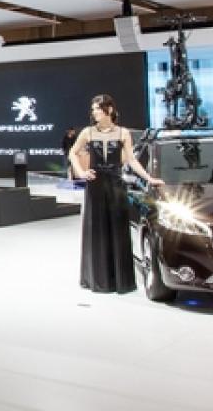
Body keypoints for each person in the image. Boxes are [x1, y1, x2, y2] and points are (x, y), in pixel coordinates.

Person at [68, 95, 163, 294]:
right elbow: (72, 153)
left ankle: (119, 280)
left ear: (109, 109)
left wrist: (149, 178)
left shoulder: (123, 133)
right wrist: (81, 173)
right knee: (97, 230)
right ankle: (98, 279)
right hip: (95, 186)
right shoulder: (87, 132)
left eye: (97, 108)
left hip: (116, 186)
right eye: (93, 109)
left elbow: (132, 160)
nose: (94, 112)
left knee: (118, 231)